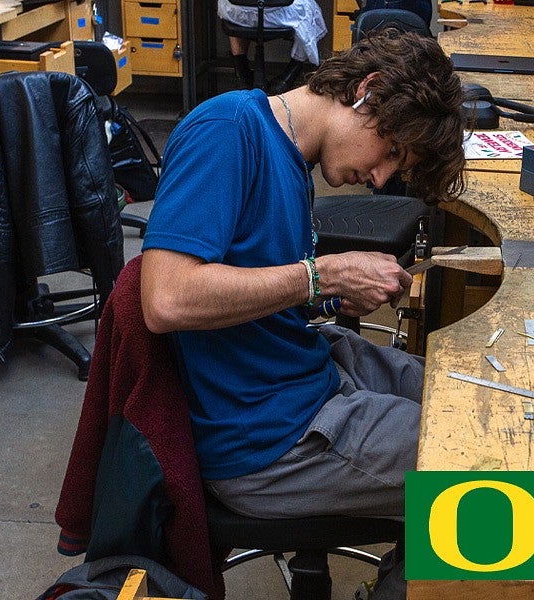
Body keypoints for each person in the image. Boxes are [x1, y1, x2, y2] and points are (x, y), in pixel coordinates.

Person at [140, 30, 465, 599]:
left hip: (305, 374)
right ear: (369, 92)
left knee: (468, 396)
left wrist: (327, 296)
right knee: (482, 469)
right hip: (267, 437)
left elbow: (256, 279)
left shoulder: (293, 155)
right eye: (391, 153)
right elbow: (166, 298)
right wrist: (323, 275)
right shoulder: (227, 132)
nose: (383, 178)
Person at [219, 0, 328, 93]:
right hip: (278, 16)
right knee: (307, 7)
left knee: (240, 4)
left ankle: (242, 75)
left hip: (236, 15)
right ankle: (289, 75)